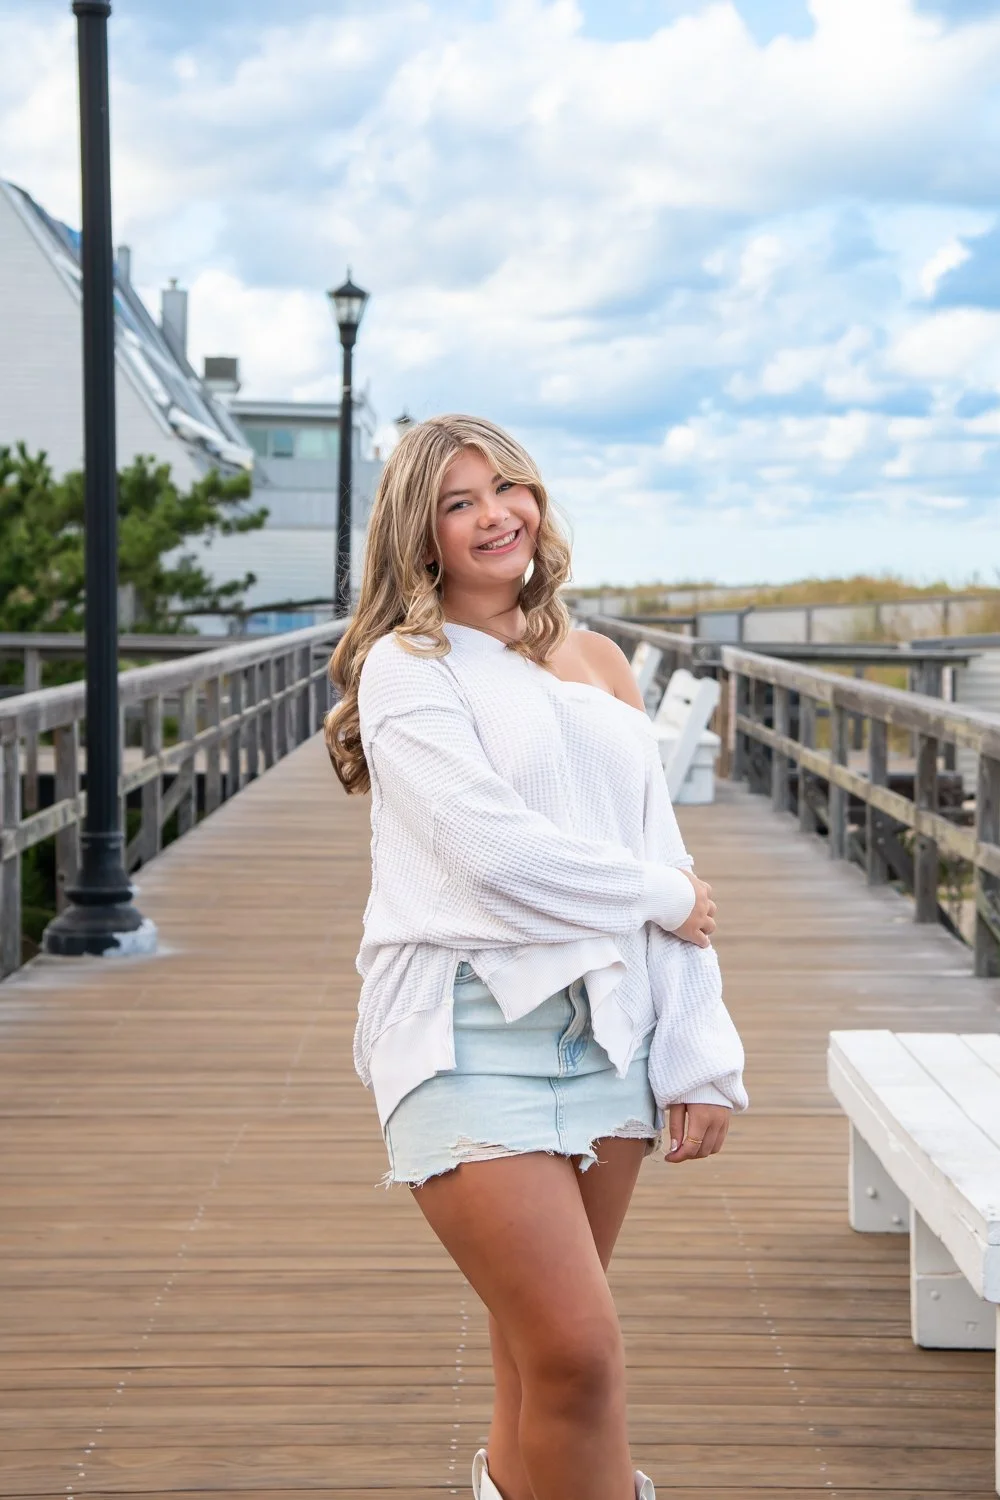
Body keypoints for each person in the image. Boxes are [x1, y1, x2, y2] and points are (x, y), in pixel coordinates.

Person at [324, 414, 749, 1500]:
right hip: (464, 1028)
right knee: (579, 1354)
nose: (492, 515)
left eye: (506, 488)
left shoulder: (596, 659)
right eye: (457, 502)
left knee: (538, 1366)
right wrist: (663, 896)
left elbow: (664, 853)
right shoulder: (405, 668)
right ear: (420, 535)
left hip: (605, 1029)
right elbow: (488, 853)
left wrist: (697, 1049)